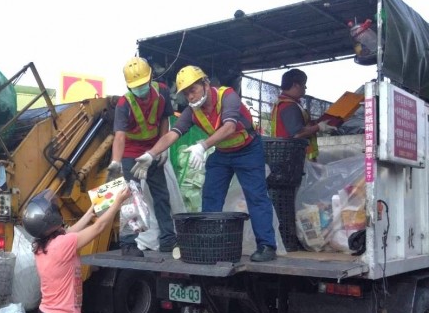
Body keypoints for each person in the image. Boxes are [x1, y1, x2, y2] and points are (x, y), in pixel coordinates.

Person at [135, 65, 277, 262]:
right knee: (210, 196)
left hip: (248, 150)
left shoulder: (227, 97)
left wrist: (203, 146)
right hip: (223, 153)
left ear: (206, 83)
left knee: (256, 196)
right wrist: (151, 154)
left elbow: (229, 127)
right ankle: (210, 242)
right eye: (186, 93)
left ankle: (267, 246)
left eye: (193, 90)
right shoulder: (192, 111)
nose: (190, 97)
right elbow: (172, 135)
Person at [106, 57, 177, 256]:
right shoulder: (124, 103)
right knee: (130, 197)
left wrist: (162, 147)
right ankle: (128, 243)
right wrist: (116, 162)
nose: (140, 90)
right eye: (135, 87)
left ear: (150, 78)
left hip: (153, 150)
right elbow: (119, 137)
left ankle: (168, 239)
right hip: (130, 153)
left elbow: (165, 118)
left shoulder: (162, 91)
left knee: (161, 195)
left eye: (142, 85)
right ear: (128, 86)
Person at [270, 68, 337, 160]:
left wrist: (316, 123)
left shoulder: (282, 103)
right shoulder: (289, 106)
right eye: (304, 84)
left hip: (286, 156)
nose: (305, 88)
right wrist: (319, 127)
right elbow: (297, 134)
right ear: (295, 85)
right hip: (293, 158)